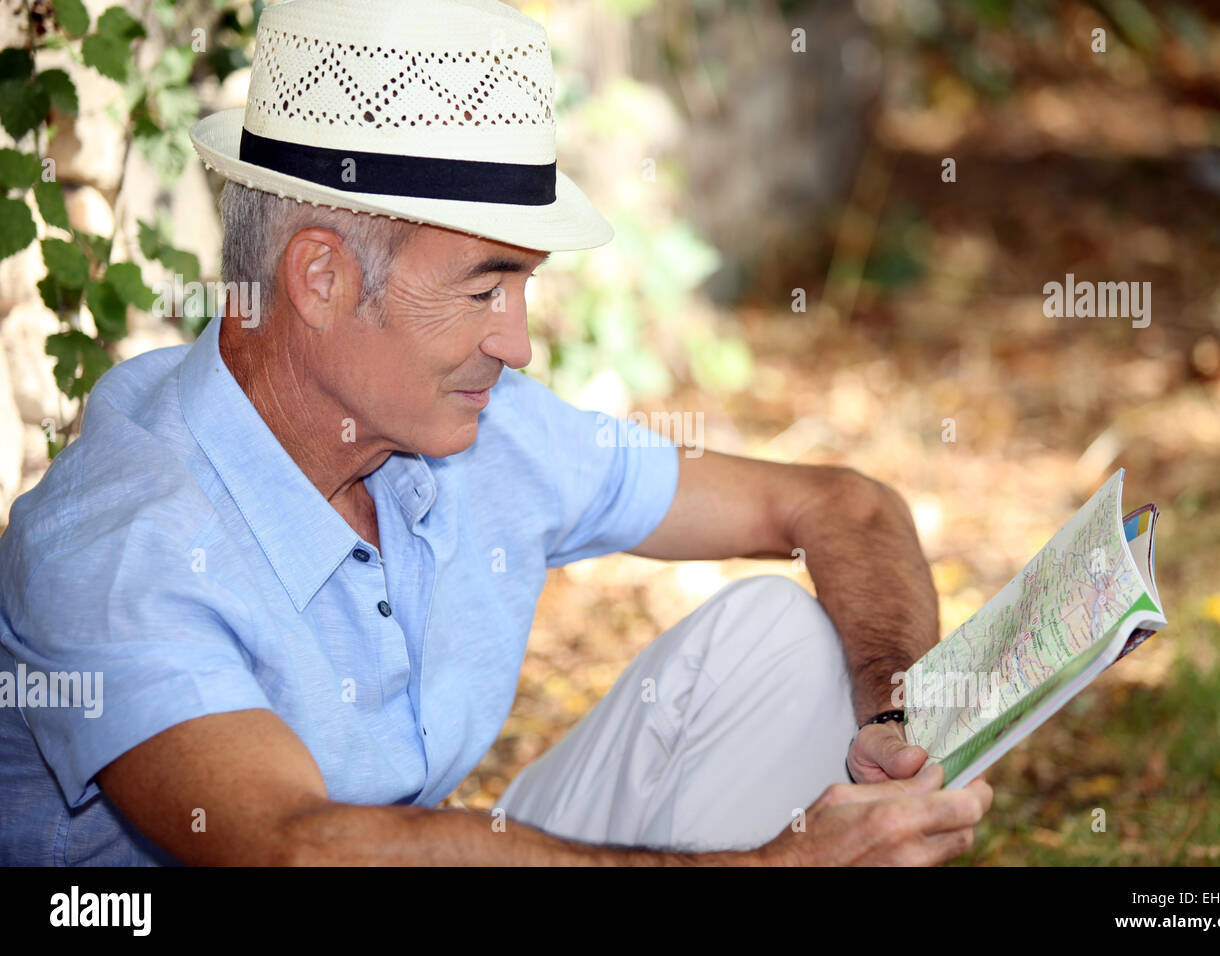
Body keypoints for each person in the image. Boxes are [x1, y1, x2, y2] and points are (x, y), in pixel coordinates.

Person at [0, 0, 990, 865]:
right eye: (485, 286)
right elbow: (294, 848)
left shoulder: (471, 425)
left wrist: (894, 718)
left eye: (522, 284)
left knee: (780, 641)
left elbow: (838, 504)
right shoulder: (121, 539)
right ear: (319, 277)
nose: (515, 342)